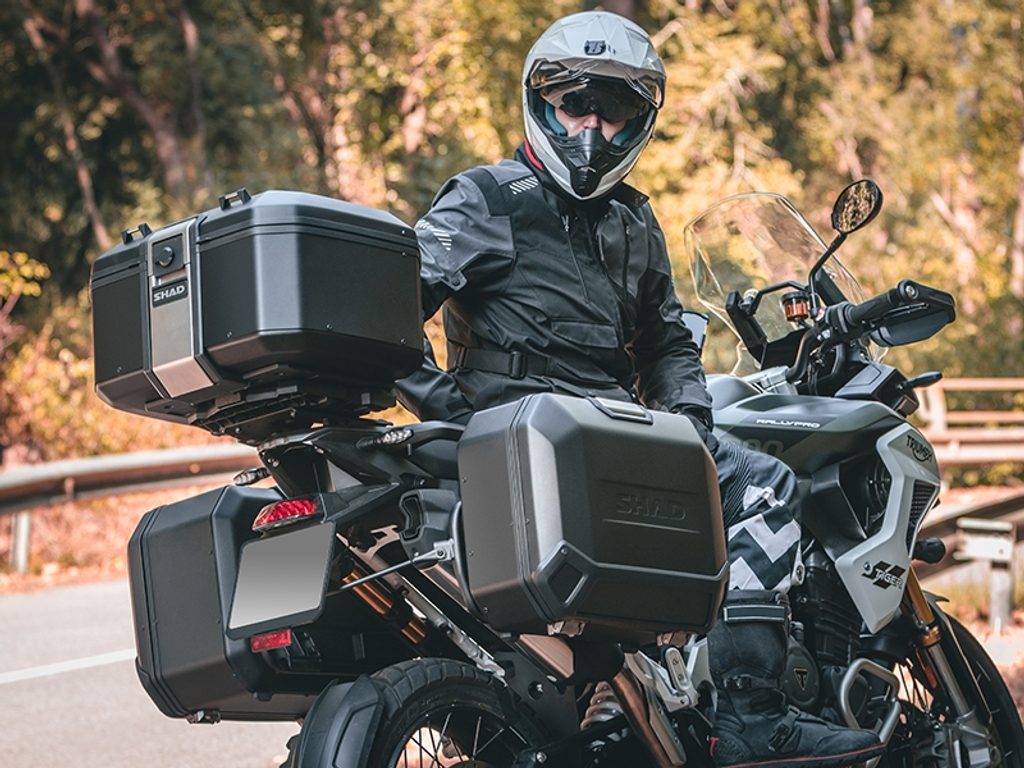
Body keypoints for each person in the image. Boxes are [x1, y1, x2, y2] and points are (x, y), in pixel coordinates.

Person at [397, 11, 883, 768]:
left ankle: (677, 690)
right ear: (541, 103)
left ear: (638, 121)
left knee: (728, 470)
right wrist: (454, 411)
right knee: (767, 487)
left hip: (614, 436)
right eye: (574, 105)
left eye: (613, 109)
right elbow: (392, 305)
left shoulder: (633, 220)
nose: (591, 128)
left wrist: (688, 421)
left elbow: (664, 342)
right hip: (527, 438)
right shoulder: (489, 197)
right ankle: (751, 716)